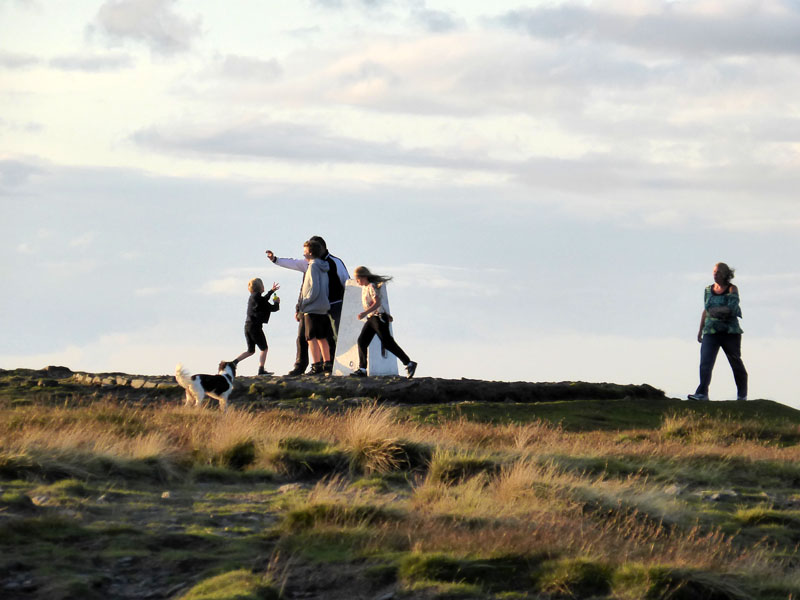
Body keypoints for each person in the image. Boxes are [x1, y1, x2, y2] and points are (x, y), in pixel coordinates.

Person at [266, 236, 349, 375]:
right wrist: (275, 259)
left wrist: (304, 304)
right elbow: (293, 264)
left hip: (331, 305)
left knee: (328, 337)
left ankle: (326, 365)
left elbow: (346, 282)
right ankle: (303, 365)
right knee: (305, 337)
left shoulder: (332, 263)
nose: (304, 255)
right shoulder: (308, 263)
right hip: (317, 306)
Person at [688, 262, 748, 401]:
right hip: (711, 331)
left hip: (730, 332)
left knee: (735, 362)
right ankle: (702, 393)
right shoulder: (708, 290)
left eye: (719, 272)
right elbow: (706, 310)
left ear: (726, 275)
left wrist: (718, 311)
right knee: (705, 362)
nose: (715, 274)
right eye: (714, 272)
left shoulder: (732, 289)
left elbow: (732, 308)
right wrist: (700, 330)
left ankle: (742, 395)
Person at [349, 266, 417, 379]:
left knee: (387, 343)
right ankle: (362, 369)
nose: (357, 282)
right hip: (372, 319)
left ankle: (409, 363)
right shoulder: (365, 288)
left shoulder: (371, 286)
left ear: (364, 277)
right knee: (362, 341)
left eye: (358, 279)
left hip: (377, 318)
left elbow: (377, 302)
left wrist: (365, 313)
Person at [297, 239, 332, 375]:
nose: (304, 255)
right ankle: (327, 364)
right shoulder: (324, 266)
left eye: (305, 252)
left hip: (312, 308)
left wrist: (304, 303)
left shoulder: (312, 267)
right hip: (323, 307)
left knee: (311, 338)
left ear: (310, 253)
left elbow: (314, 289)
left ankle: (317, 365)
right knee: (322, 337)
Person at [232, 278, 280, 375]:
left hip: (247, 326)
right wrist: (277, 302)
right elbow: (273, 308)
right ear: (261, 287)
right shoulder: (261, 301)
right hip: (255, 327)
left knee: (250, 350)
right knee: (264, 348)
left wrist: (271, 291)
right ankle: (261, 370)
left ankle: (233, 363)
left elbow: (263, 299)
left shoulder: (253, 298)